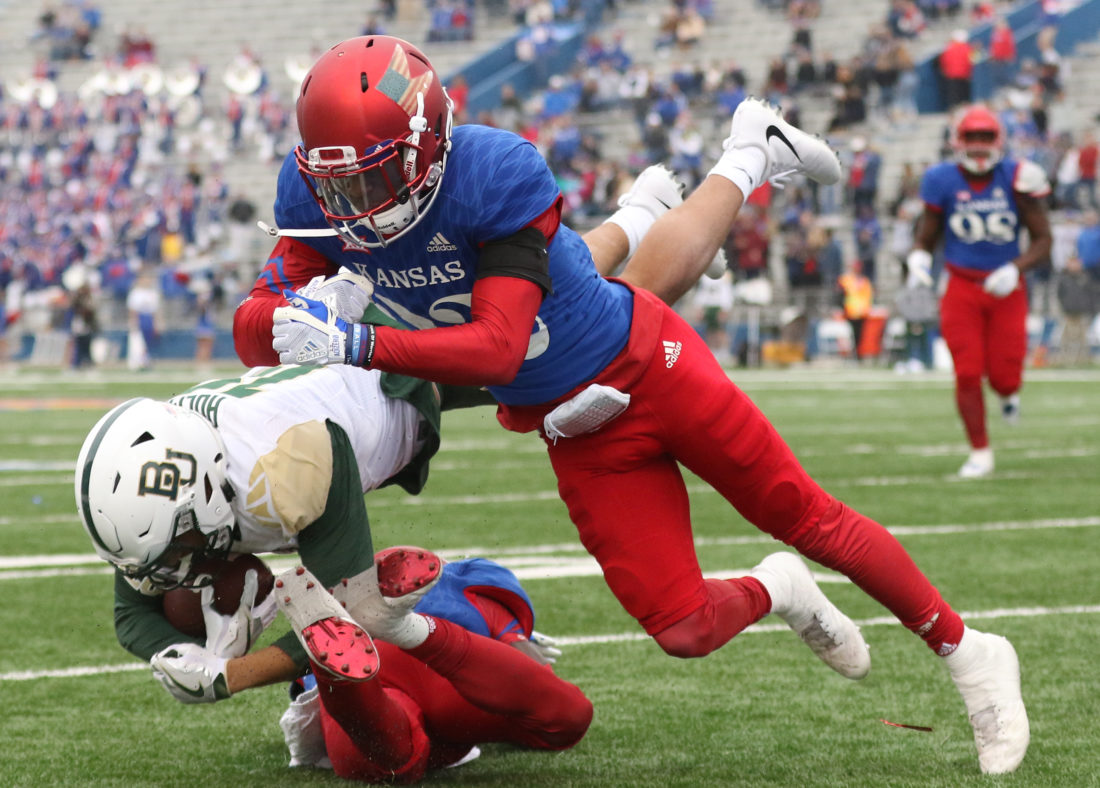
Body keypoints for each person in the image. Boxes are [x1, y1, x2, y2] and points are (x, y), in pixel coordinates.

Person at [236, 36, 1028, 775]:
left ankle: (971, 652)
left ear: (430, 141)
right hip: (571, 422)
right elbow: (253, 324)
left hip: (646, 365)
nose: (355, 204)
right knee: (682, 629)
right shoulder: (318, 197)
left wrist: (351, 340)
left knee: (805, 513)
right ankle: (778, 587)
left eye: (373, 177)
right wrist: (283, 319)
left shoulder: (492, 171)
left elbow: (498, 349)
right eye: (336, 182)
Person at [73, 363, 592, 782]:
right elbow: (130, 613)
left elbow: (345, 625)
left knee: (565, 343)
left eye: (177, 547)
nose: (173, 568)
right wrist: (174, 653)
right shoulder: (168, 476)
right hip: (329, 391)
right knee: (179, 599)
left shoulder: (285, 469)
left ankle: (635, 259)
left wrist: (229, 677)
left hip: (396, 388)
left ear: (204, 495)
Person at [908, 104, 1052, 479]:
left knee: (1005, 377)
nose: (978, 146)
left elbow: (1044, 240)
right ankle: (980, 451)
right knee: (968, 372)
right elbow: (927, 235)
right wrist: (919, 259)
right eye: (971, 137)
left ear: (999, 140)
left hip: (1007, 288)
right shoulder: (940, 179)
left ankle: (1008, 395)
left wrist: (1013, 268)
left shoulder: (1019, 177)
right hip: (961, 286)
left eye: (985, 137)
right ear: (958, 140)